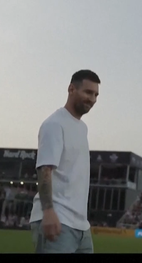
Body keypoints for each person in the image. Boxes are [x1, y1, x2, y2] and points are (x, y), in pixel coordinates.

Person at [29, 69, 100, 253]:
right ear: (71, 89)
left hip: (81, 226)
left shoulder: (82, 128)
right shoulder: (55, 124)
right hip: (59, 219)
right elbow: (45, 169)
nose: (92, 99)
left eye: (96, 94)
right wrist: (48, 212)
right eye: (88, 92)